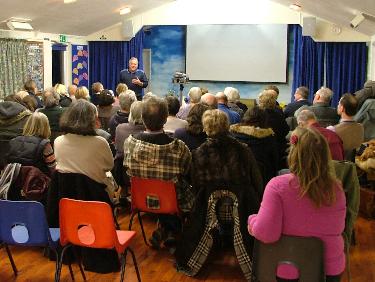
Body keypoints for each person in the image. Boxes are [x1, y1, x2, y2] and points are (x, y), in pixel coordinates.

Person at [248, 126, 346, 282]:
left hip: (285, 268)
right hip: (328, 270)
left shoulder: (277, 186)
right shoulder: (337, 188)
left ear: (293, 153)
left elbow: (266, 234)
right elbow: (339, 227)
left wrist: (253, 220)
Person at [175, 110, 261, 279]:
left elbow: (196, 185)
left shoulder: (198, 153)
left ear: (206, 128)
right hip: (243, 209)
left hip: (208, 210)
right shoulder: (243, 150)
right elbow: (256, 181)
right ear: (227, 126)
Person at [123, 97, 193, 249]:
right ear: (165, 119)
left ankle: (166, 229)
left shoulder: (129, 142)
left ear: (142, 118)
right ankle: (171, 230)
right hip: (174, 201)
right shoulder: (178, 147)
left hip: (141, 199)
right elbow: (188, 170)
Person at [54, 99, 114, 198]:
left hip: (67, 197)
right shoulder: (100, 142)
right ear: (93, 119)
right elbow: (109, 166)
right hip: (96, 195)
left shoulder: (58, 141)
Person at [230, 106, 279, 185]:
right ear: (264, 119)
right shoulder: (269, 138)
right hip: (263, 180)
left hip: (236, 180)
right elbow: (274, 162)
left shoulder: (233, 134)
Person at [7, 112, 56, 176]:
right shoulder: (45, 144)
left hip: (15, 181)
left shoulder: (13, 141)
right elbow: (53, 168)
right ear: (46, 126)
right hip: (36, 182)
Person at [328, 93, 364, 160]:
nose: (338, 105)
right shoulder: (361, 127)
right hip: (357, 167)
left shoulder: (332, 130)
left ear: (342, 108)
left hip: (340, 167)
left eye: (339, 104)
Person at [258, 90, 289, 168]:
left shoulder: (256, 114)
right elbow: (286, 130)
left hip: (260, 150)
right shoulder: (279, 114)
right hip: (277, 150)